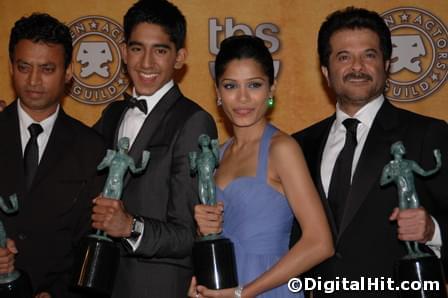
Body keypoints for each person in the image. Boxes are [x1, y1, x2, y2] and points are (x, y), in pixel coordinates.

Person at [291, 7, 448, 297]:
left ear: (387, 64)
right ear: (326, 71)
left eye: (369, 55)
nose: (357, 67)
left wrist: (433, 231)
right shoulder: (300, 145)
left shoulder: (426, 134)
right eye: (343, 57)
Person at [190, 35, 333, 298]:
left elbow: (320, 242)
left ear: (271, 88)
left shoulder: (281, 149)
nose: (243, 98)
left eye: (254, 85)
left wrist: (244, 293)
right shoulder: (217, 154)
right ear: (218, 92)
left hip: (270, 289)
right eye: (231, 85)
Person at [91, 0, 217, 297]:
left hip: (155, 287)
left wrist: (130, 227)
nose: (146, 63)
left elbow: (189, 233)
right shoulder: (111, 115)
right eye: (137, 49)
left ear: (179, 57)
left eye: (159, 50)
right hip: (101, 281)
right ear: (123, 51)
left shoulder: (193, 121)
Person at [0, 13, 105, 298]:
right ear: (11, 68)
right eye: (24, 67)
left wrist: (57, 294)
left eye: (47, 69)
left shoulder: (91, 148)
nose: (33, 80)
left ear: (68, 72)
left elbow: (93, 242)